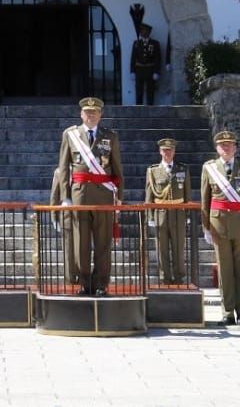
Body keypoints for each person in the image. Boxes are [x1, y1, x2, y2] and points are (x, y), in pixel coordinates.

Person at [50, 96, 125, 296]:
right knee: (80, 242)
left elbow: (117, 168)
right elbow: (63, 167)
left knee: (103, 242)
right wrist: (65, 197)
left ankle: (101, 283)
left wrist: (119, 197)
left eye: (94, 112)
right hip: (79, 196)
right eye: (87, 112)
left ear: (101, 115)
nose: (90, 115)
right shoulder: (70, 135)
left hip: (104, 196)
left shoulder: (111, 136)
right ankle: (84, 282)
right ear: (81, 114)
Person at [200, 129, 240, 325]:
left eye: (229, 144)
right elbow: (205, 200)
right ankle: (227, 312)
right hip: (219, 224)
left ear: (235, 148)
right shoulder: (209, 168)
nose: (226, 148)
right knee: (224, 268)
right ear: (217, 148)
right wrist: (205, 226)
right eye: (222, 145)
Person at [144, 138, 189, 285]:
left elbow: (187, 194)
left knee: (178, 248)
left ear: (174, 151)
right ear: (160, 151)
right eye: (164, 150)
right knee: (161, 249)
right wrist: (150, 216)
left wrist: (187, 214)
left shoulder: (183, 169)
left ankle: (179, 277)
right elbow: (149, 196)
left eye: (170, 150)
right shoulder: (153, 171)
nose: (167, 153)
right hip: (160, 214)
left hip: (178, 213)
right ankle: (165, 278)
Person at [130, 23, 163, 105]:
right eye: (141, 31)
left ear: (149, 32)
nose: (143, 32)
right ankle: (139, 109)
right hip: (139, 70)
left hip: (150, 69)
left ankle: (150, 109)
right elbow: (133, 57)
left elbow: (157, 58)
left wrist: (156, 71)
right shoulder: (137, 43)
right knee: (139, 91)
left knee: (150, 91)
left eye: (145, 30)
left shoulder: (155, 43)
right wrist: (132, 71)